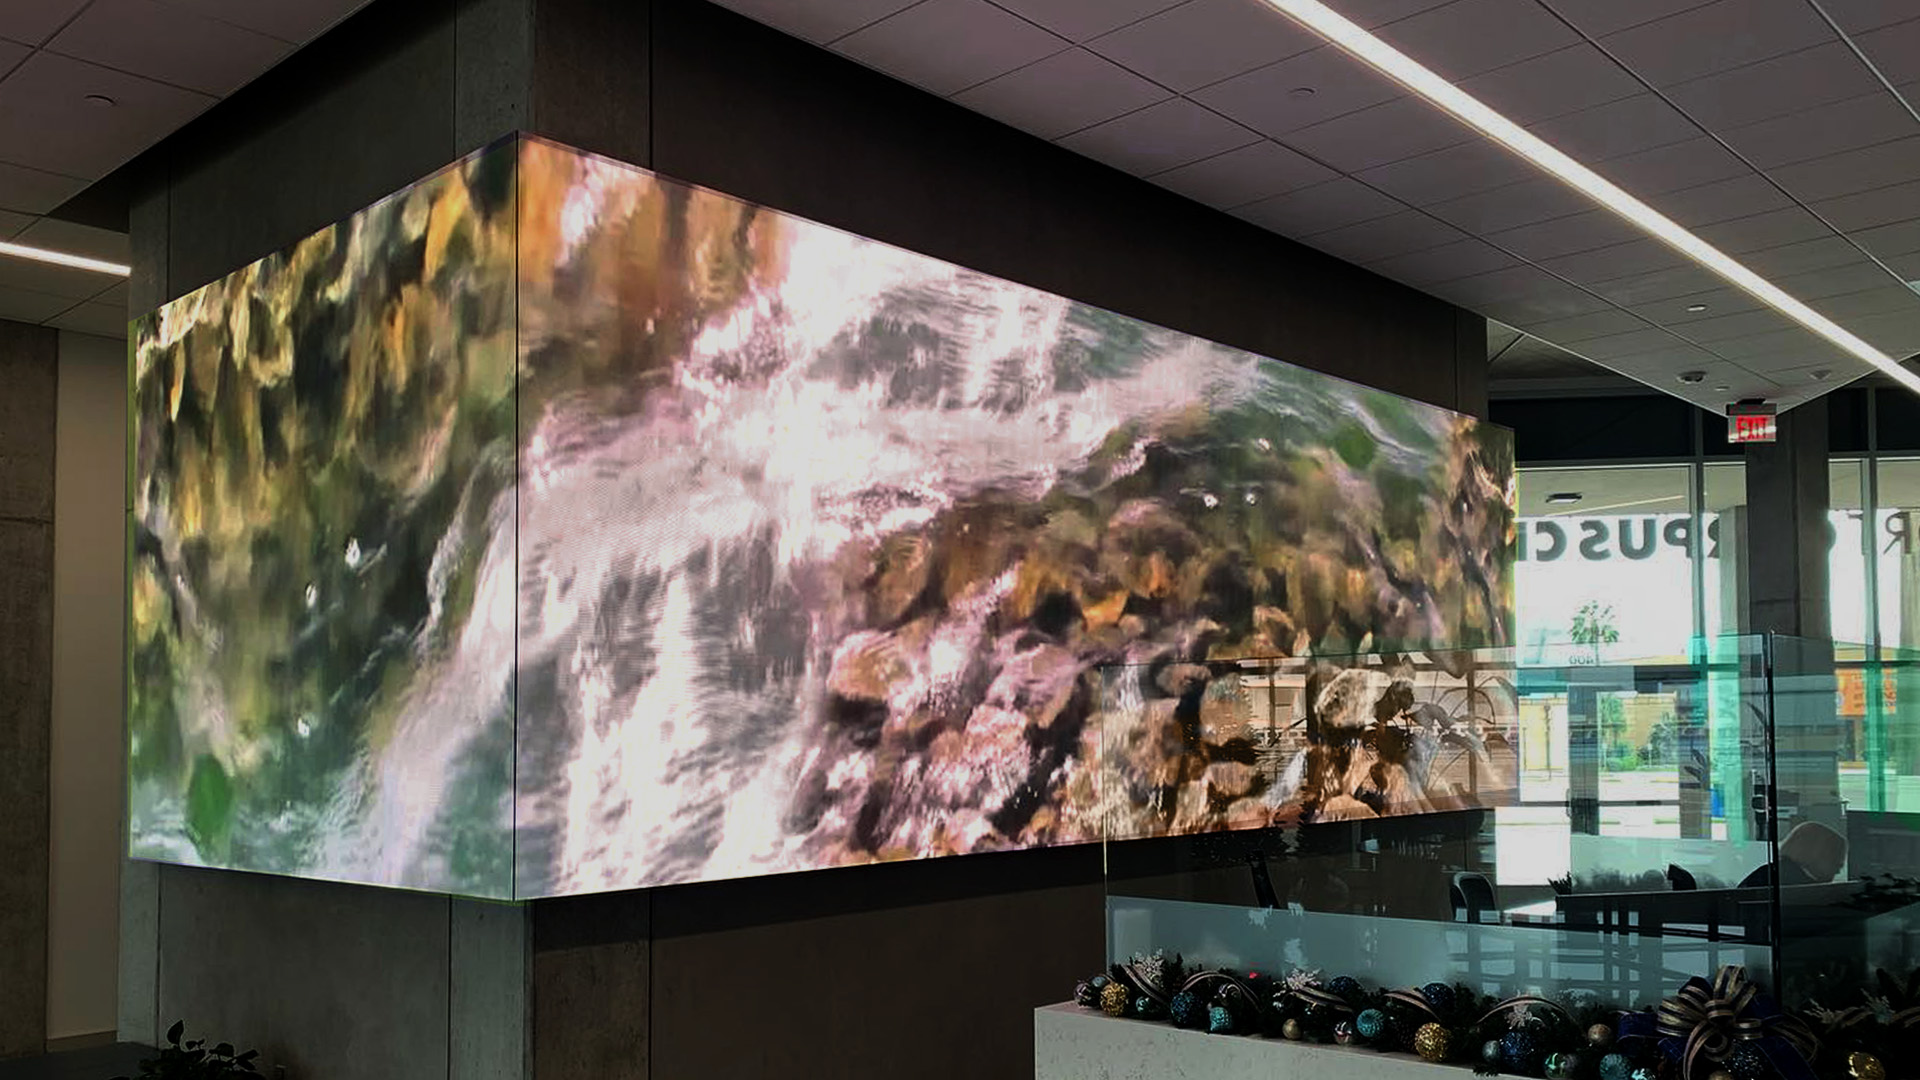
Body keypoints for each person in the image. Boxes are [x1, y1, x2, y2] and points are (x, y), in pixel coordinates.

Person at [1737, 821, 1848, 888]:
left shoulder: (1769, 872)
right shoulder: (1798, 886)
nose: (1838, 871)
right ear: (1817, 854)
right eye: (1836, 863)